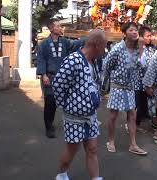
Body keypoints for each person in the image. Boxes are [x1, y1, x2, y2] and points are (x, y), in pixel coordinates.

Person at [52, 29, 106, 180]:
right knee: (72, 149)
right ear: (96, 45)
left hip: (90, 115)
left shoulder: (94, 62)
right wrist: (66, 105)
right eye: (103, 46)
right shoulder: (73, 60)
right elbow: (57, 84)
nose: (104, 50)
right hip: (74, 117)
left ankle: (96, 178)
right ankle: (62, 174)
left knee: (92, 149)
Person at [103, 22, 147, 155]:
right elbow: (106, 66)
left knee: (132, 115)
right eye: (131, 30)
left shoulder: (137, 49)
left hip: (130, 87)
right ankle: (110, 141)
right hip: (117, 86)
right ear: (124, 33)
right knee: (113, 115)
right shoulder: (117, 49)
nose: (135, 32)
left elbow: (142, 66)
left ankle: (133, 144)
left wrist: (141, 49)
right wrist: (109, 81)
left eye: (136, 30)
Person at [36, 18, 84, 138]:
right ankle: (48, 127)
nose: (60, 28)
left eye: (60, 26)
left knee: (63, 102)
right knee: (50, 102)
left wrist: (89, 37)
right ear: (52, 28)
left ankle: (71, 123)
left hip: (63, 78)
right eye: (58, 26)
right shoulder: (44, 44)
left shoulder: (64, 42)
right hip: (49, 77)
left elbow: (75, 44)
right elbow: (41, 59)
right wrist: (43, 75)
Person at [135, 26, 157, 132]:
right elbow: (139, 63)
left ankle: (148, 122)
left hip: (149, 83)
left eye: (151, 35)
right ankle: (135, 125)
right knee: (137, 105)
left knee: (147, 105)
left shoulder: (153, 48)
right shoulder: (136, 48)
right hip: (138, 82)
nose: (150, 38)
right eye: (148, 36)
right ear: (141, 37)